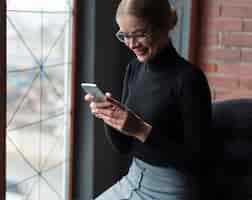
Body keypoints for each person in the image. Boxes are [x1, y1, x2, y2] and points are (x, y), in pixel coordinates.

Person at [84, 0, 212, 199]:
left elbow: (199, 162)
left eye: (140, 34)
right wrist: (110, 118)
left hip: (171, 188)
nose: (132, 44)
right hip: (133, 178)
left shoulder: (189, 79)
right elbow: (123, 147)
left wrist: (141, 130)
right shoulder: (134, 68)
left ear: (162, 27)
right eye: (125, 35)